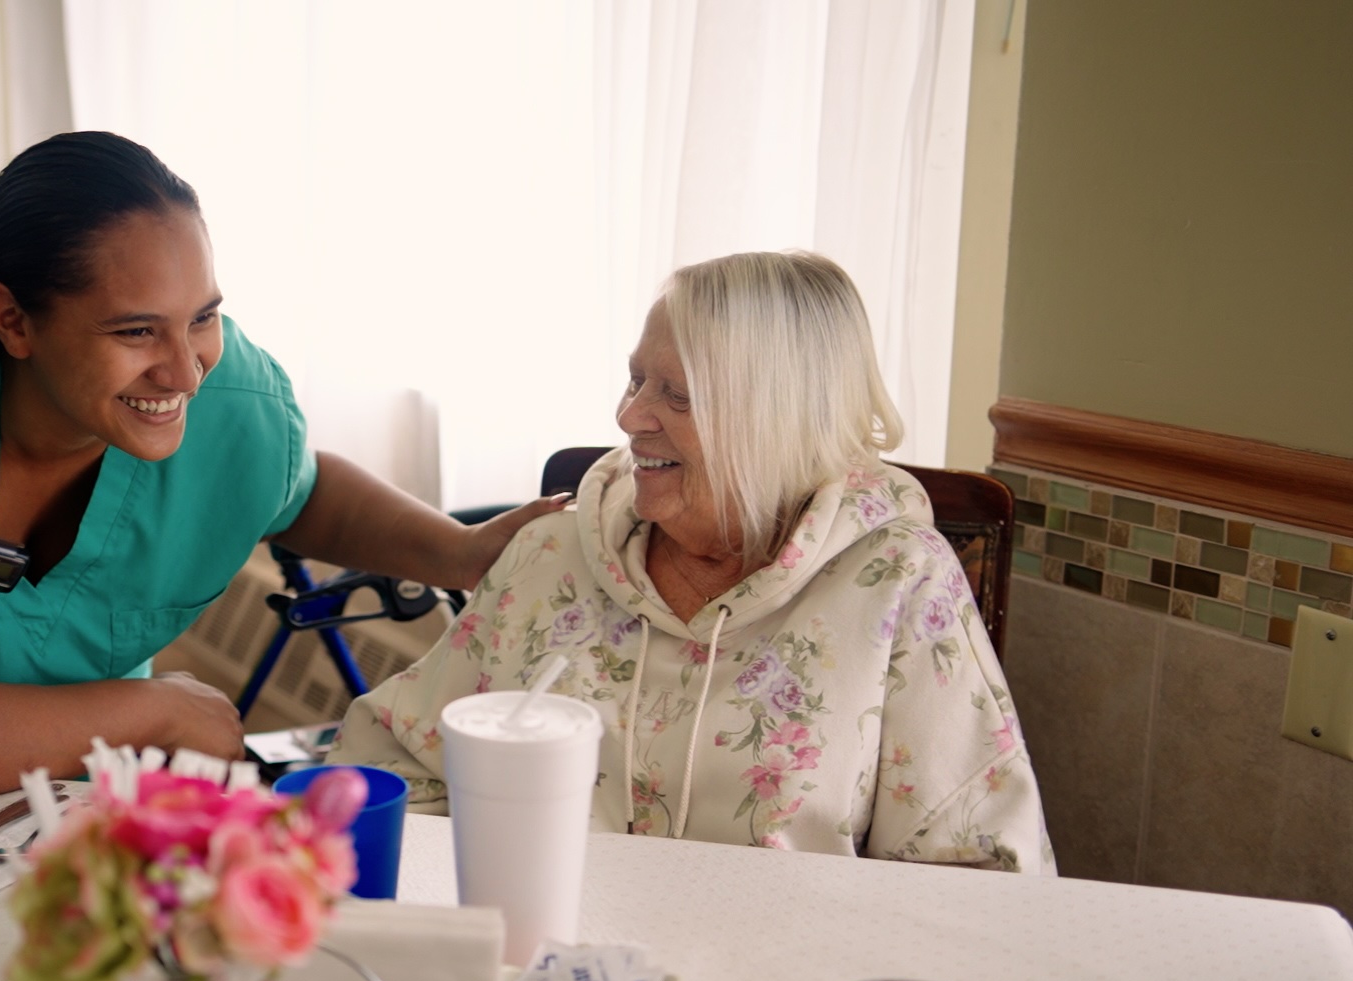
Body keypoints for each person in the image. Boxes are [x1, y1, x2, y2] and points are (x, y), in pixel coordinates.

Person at [0, 132, 563, 875]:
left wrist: (458, 550)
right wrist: (158, 710)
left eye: (202, 315)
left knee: (88, 929)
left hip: (62, 698)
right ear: (13, 320)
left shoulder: (222, 385)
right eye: (135, 330)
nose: (184, 369)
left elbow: (287, 484)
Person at [328, 251, 1053, 873]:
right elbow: (394, 762)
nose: (630, 416)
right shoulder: (552, 557)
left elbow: (977, 864)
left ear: (779, 420)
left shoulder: (898, 582)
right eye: (636, 379)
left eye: (676, 394)